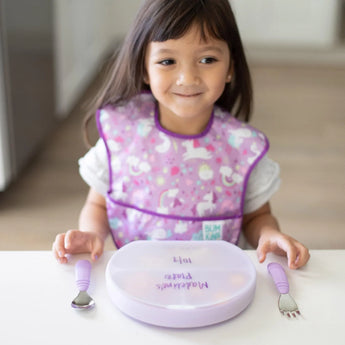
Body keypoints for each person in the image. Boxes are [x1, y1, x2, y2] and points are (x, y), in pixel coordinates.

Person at [53, 0, 310, 269]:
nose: (187, 78)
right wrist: (92, 234)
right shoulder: (122, 136)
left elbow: (257, 217)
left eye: (207, 59)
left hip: (216, 282)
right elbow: (99, 205)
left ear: (231, 66)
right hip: (142, 278)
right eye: (167, 61)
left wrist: (269, 234)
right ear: (144, 68)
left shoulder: (241, 149)